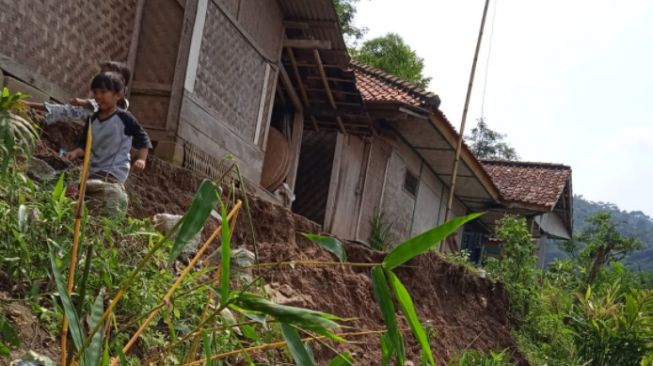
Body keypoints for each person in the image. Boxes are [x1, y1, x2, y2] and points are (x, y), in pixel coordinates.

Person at [66, 71, 151, 183]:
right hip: (93, 170)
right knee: (73, 189)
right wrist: (75, 153)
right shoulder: (93, 119)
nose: (98, 96)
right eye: (95, 92)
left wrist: (141, 159)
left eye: (103, 92)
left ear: (117, 95)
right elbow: (84, 145)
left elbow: (143, 138)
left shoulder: (124, 118)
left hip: (114, 171)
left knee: (88, 187)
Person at [25, 60, 132, 125]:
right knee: (65, 110)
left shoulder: (120, 105)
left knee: (68, 111)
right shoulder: (97, 105)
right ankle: (30, 107)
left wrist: (84, 102)